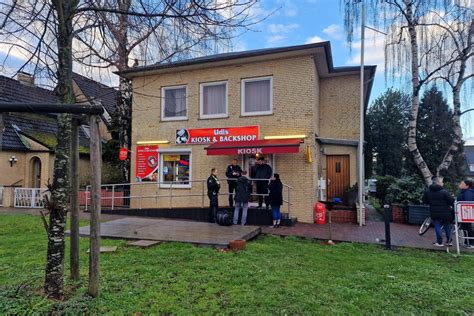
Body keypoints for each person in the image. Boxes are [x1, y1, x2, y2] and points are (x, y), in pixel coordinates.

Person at [423, 177, 455, 247]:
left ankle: (439, 242)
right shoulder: (444, 192)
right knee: (447, 226)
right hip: (446, 212)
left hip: (434, 212)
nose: (443, 183)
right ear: (438, 183)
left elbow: (425, 201)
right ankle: (449, 241)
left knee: (437, 226)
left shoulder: (428, 191)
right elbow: (451, 201)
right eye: (442, 182)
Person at [457, 179, 474, 249]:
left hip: (466, 214)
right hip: (464, 213)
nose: (460, 184)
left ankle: (471, 243)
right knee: (465, 228)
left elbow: (467, 203)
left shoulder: (468, 192)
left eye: (462, 183)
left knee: (468, 227)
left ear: (467, 186)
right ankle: (467, 242)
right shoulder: (464, 191)